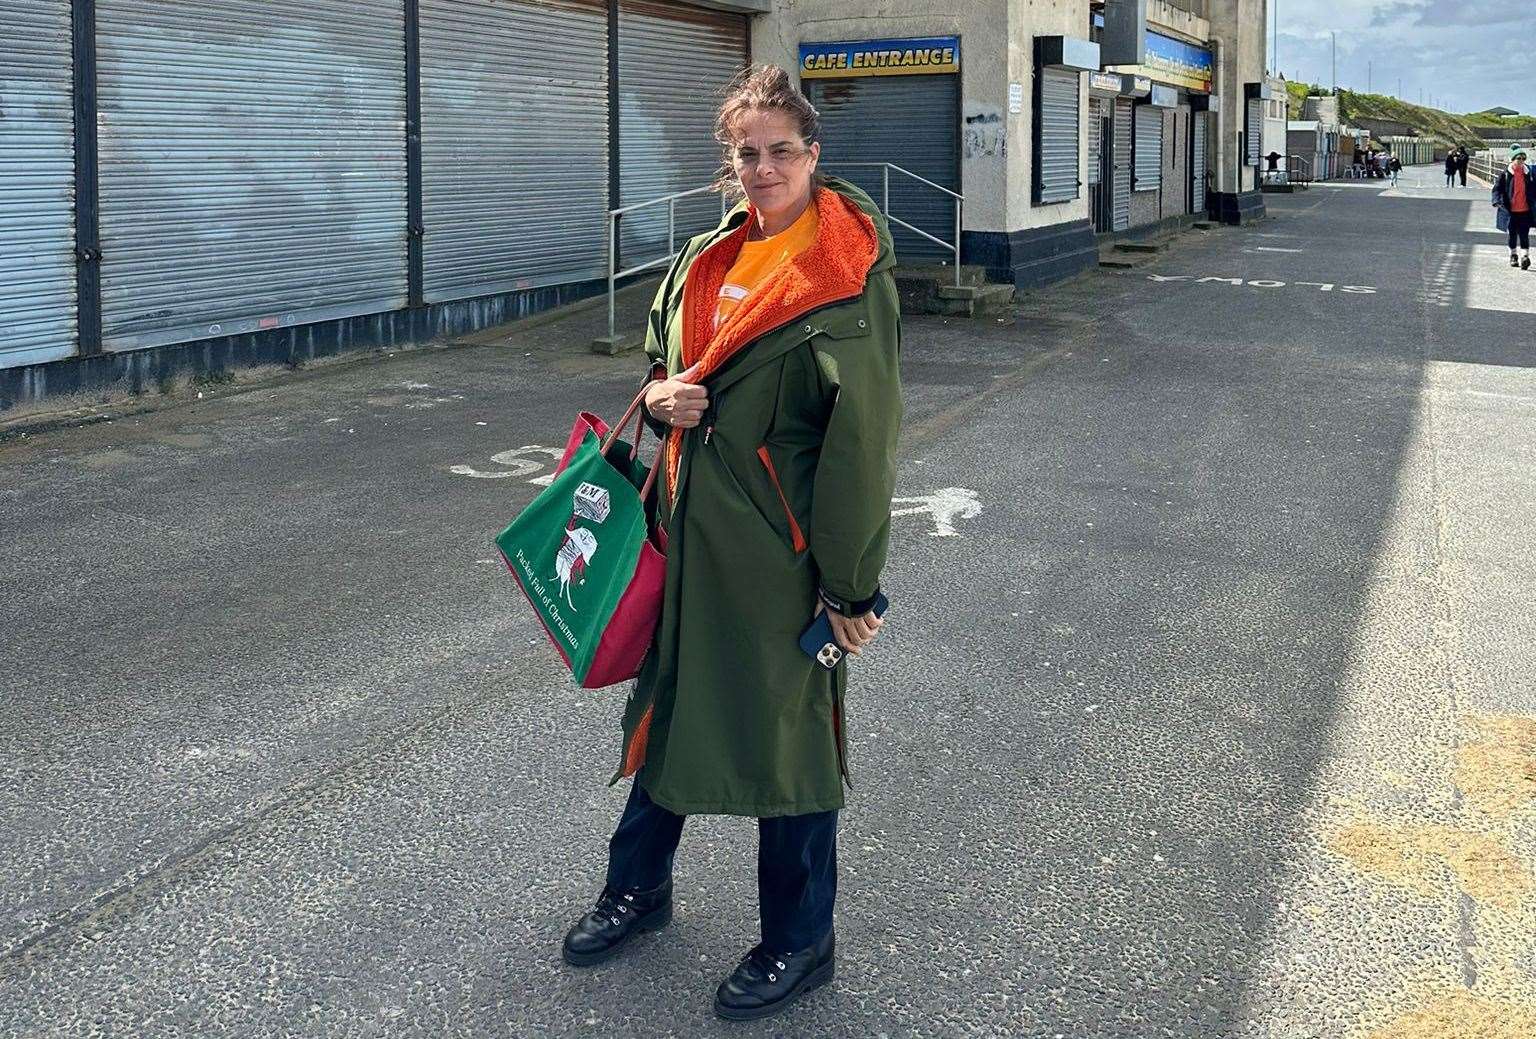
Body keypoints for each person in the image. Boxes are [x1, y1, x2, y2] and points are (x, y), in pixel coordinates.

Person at [560, 64, 902, 1022]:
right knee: (667, 714)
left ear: (813, 154)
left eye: (779, 151)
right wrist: (664, 395)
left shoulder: (846, 275)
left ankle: (801, 940)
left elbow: (861, 446)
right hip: (684, 543)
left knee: (786, 749)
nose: (760, 169)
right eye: (745, 152)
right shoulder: (709, 257)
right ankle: (640, 888)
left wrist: (851, 588)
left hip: (778, 563)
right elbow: (664, 362)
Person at [1493, 143, 1535, 269]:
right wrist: (1496, 200)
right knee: (1512, 235)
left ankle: (1525, 256)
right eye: (1518, 158)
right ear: (1513, 159)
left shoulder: (1530, 173)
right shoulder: (1505, 174)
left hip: (1525, 210)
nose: (1521, 161)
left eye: (1523, 158)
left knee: (1524, 234)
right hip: (1510, 210)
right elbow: (1497, 189)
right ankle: (1513, 255)